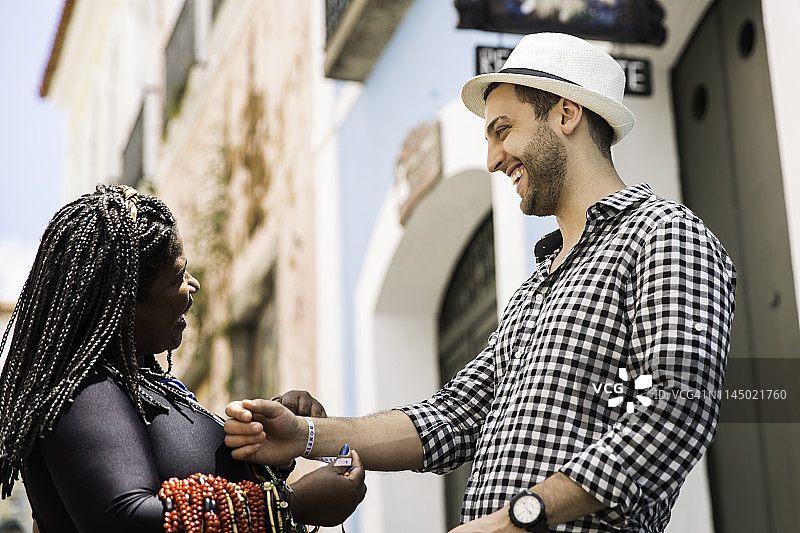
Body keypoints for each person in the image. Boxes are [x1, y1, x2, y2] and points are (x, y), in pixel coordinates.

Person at [223, 32, 737, 533]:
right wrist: (307, 437)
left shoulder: (664, 234)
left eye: (503, 129)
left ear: (566, 113)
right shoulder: (538, 285)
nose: (492, 158)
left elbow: (675, 408)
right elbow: (455, 417)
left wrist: (516, 520)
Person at [0, 185, 366, 533]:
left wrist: (265, 452)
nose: (193, 285)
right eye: (177, 276)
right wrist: (288, 505)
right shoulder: (84, 393)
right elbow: (123, 520)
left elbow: (193, 486)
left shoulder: (140, 383)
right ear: (123, 304)